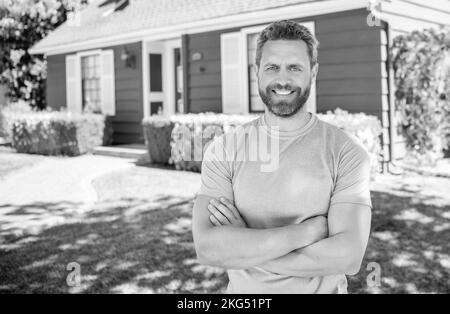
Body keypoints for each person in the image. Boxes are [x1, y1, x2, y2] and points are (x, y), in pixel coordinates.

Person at [192, 20, 372, 294]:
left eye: (295, 67)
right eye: (272, 67)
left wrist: (247, 244)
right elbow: (208, 249)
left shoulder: (347, 153)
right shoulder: (224, 149)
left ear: (313, 71)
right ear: (257, 72)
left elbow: (348, 257)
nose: (283, 79)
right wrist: (305, 233)